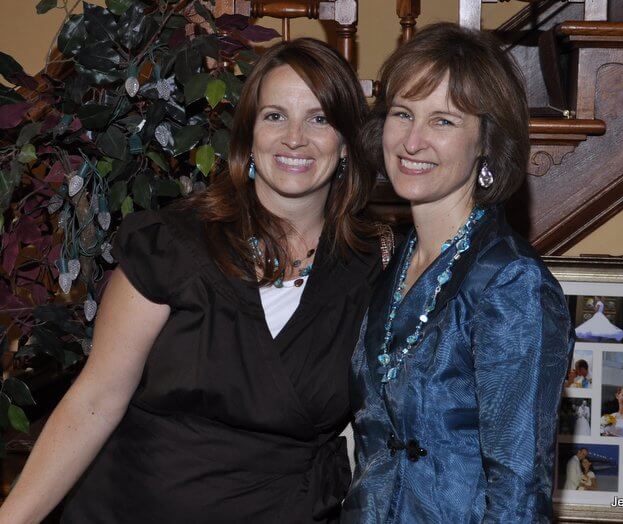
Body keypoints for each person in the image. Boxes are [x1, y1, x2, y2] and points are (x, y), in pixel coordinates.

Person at [0, 39, 385, 523]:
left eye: (319, 119)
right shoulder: (173, 245)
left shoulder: (372, 269)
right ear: (247, 135)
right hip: (133, 509)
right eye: (274, 116)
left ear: (346, 141)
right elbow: (95, 402)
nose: (294, 138)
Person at [341, 23, 574, 523]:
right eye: (402, 113)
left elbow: (519, 493)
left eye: (443, 121)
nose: (412, 140)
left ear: (486, 142)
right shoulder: (396, 260)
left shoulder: (511, 284)